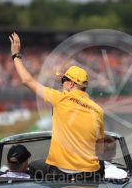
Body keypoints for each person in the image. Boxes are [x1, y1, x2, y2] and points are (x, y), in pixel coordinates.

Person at [9, 33, 105, 179]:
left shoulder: (60, 98)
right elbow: (100, 148)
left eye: (63, 81)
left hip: (62, 172)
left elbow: (27, 80)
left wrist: (16, 55)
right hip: (90, 174)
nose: (61, 84)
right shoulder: (98, 110)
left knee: (34, 167)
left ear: (71, 84)